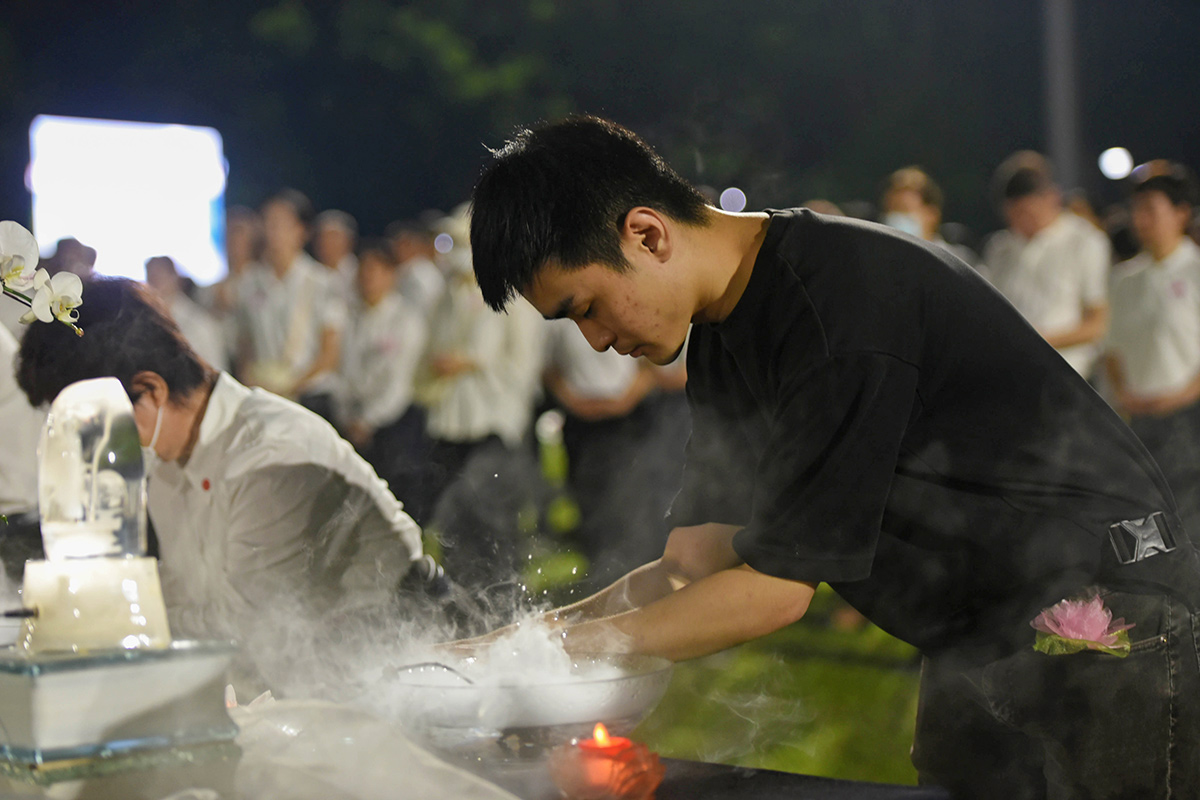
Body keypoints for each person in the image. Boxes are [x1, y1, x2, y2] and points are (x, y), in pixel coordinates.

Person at [465, 116, 1200, 798]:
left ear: (647, 234)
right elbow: (690, 565)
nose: (595, 340)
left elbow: (776, 591)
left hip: (1107, 607)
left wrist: (561, 659)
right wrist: (507, 648)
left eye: (586, 307)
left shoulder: (836, 304)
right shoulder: (721, 334)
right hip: (977, 626)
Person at [15, 278, 432, 668]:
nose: (90, 447)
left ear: (152, 390)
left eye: (93, 425)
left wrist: (111, 612)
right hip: (300, 671)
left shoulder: (269, 455)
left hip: (405, 654)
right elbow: (184, 592)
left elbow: (251, 628)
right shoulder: (167, 463)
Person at [1106, 162, 1200, 543]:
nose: (1141, 220)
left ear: (1181, 213)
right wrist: (1124, 395)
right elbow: (1111, 348)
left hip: (1190, 417)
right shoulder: (1124, 278)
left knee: (1190, 520)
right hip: (1139, 419)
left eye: (1151, 210)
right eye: (1137, 210)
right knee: (1145, 520)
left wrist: (1179, 396)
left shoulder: (1195, 270)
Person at [981, 151, 1111, 380]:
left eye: (1028, 213)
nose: (1021, 222)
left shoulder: (1085, 242)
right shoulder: (1000, 249)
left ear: (1052, 198)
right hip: (1012, 377)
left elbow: (1096, 324)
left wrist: (1036, 340)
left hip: (1068, 376)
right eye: (1014, 215)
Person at [234, 189, 345, 421]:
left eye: (280, 223)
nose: (272, 230)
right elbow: (245, 342)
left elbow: (330, 352)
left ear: (302, 230)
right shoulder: (250, 281)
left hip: (309, 398)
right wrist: (250, 379)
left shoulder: (322, 282)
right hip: (263, 394)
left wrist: (292, 385)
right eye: (267, 222)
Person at [336, 239, 429, 514]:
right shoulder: (351, 317)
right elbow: (342, 369)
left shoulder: (406, 319)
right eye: (363, 272)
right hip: (354, 420)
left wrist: (368, 420)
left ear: (391, 275)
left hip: (393, 422)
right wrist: (347, 416)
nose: (368, 279)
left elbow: (399, 380)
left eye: (375, 271)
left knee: (393, 502)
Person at [880, 166, 979, 266]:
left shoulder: (960, 262)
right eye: (889, 210)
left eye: (904, 209)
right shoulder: (881, 262)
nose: (895, 216)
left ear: (932, 214)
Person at [145, 256, 229, 372]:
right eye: (151, 277)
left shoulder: (199, 322)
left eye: (159, 276)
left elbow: (216, 368)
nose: (156, 283)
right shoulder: (147, 322)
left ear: (174, 277)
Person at [313, 209, 359, 300]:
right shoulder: (310, 272)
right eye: (322, 237)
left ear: (349, 240)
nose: (326, 242)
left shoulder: (359, 273)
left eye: (333, 236)